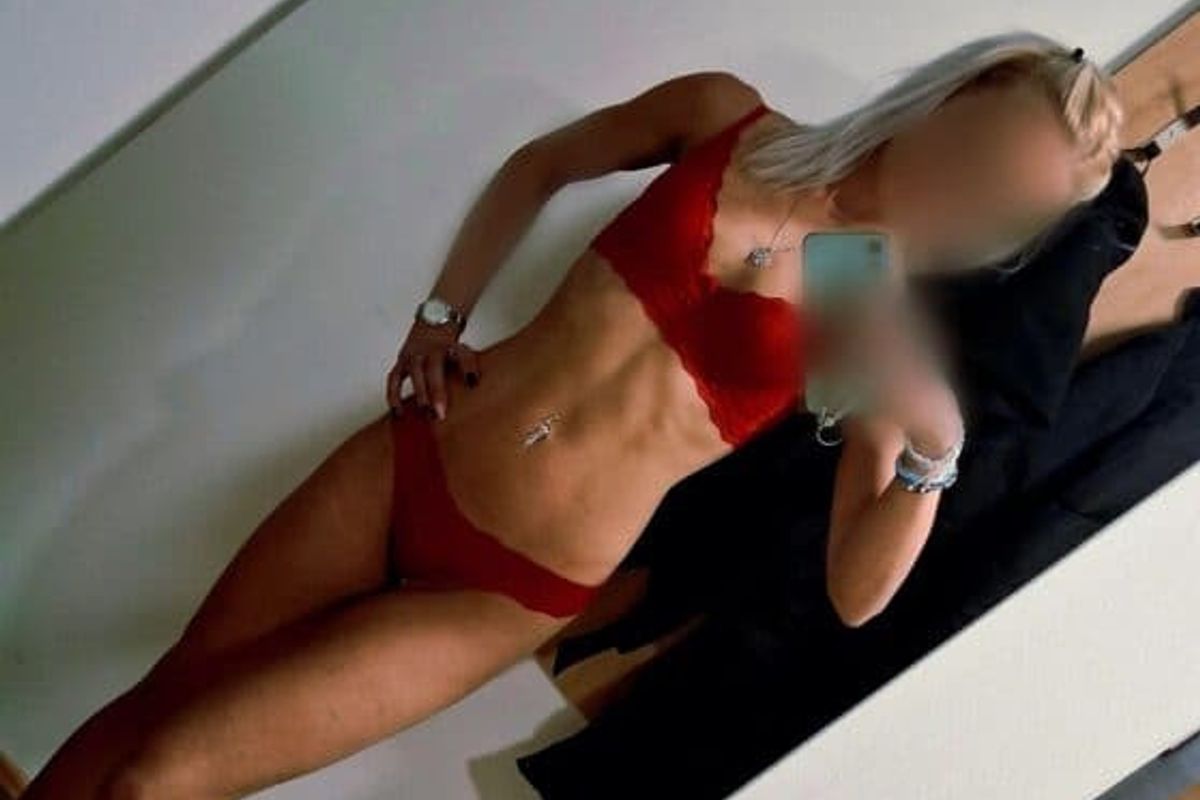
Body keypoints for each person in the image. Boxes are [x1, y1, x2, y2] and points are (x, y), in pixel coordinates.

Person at [25, 32, 1121, 799]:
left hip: (503, 587)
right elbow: (545, 163)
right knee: (164, 696)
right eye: (981, 154)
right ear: (947, 101)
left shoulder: (859, 299)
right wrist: (439, 316)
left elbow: (854, 588)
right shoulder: (729, 118)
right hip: (414, 454)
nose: (970, 192)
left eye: (1005, 202)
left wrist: (938, 452)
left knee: (158, 778)